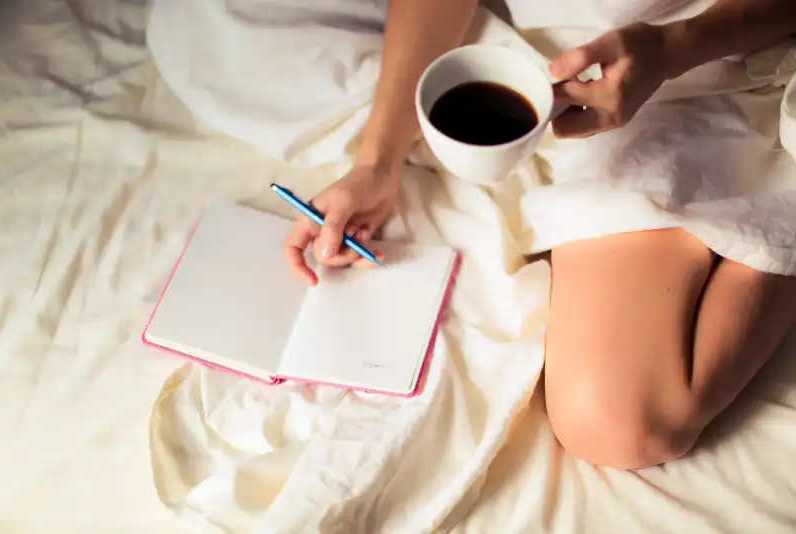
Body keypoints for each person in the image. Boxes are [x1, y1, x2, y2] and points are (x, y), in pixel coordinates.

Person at [282, 0, 796, 470]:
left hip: (715, 63)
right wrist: (377, 159)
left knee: (616, 426)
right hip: (546, 72)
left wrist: (673, 46)